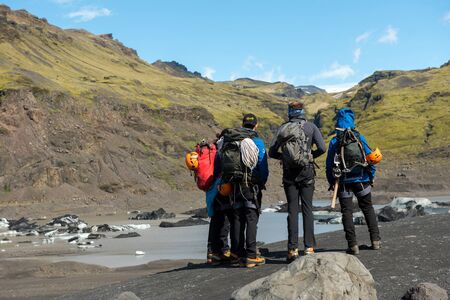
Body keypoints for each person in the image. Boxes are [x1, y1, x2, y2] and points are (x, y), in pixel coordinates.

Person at [269, 102, 326, 262]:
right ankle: (309, 247)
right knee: (308, 209)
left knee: (292, 211)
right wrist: (309, 155)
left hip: (289, 174)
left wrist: (285, 158)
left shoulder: (283, 128)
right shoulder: (311, 127)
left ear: (290, 112)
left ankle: (292, 249)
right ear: (302, 111)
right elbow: (322, 147)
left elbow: (272, 152)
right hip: (306, 172)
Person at [325, 108, 381, 255]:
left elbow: (329, 163)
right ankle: (375, 241)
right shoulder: (358, 137)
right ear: (352, 120)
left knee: (347, 213)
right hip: (362, 179)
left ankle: (353, 245)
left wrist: (331, 181)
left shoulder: (335, 141)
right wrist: (371, 177)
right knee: (368, 209)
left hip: (343, 182)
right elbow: (370, 158)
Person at [220, 113, 269, 268]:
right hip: (250, 185)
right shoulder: (257, 142)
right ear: (256, 125)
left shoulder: (232, 140)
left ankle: (235, 254)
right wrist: (261, 182)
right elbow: (262, 166)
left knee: (237, 219)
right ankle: (250, 255)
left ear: (242, 125)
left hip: (233, 184)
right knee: (251, 217)